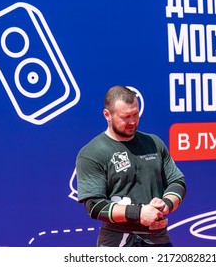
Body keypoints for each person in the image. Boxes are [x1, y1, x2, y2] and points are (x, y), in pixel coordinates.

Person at [76, 85, 186, 247]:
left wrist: (165, 205)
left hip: (157, 236)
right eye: (126, 116)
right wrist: (138, 213)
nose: (133, 121)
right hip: (117, 239)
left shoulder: (153, 143)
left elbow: (177, 182)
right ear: (107, 115)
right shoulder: (92, 152)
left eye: (136, 114)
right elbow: (94, 206)